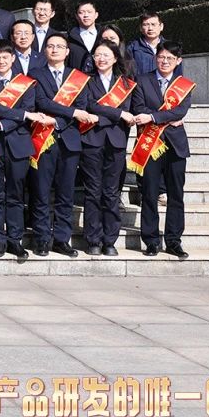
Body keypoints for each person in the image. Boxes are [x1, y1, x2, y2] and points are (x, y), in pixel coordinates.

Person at [0, 39, 53, 259]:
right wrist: (22, 115)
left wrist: (4, 124)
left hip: (19, 144)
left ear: (13, 58)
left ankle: (15, 240)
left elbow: (28, 111)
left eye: (5, 57)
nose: (1, 61)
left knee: (16, 195)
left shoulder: (27, 83)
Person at [28, 33, 97, 257]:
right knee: (41, 192)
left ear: (67, 52)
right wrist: (72, 112)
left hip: (69, 141)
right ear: (45, 50)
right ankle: (41, 239)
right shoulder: (35, 74)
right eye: (50, 46)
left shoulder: (78, 77)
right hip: (43, 139)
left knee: (66, 194)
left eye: (59, 46)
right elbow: (41, 102)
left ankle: (61, 239)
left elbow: (82, 106)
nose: (55, 49)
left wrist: (59, 119)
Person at [130, 40, 195, 260]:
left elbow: (180, 111)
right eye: (161, 57)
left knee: (176, 194)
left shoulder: (184, 84)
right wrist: (162, 117)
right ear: (155, 58)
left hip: (176, 146)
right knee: (149, 193)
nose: (165, 61)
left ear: (178, 61)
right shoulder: (142, 80)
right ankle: (151, 241)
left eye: (170, 58)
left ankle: (174, 241)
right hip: (150, 144)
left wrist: (153, 117)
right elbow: (138, 108)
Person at [79, 40, 136, 256]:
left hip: (116, 142)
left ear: (114, 58)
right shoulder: (86, 81)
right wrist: (118, 114)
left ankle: (110, 240)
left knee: (112, 193)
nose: (101, 59)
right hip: (91, 142)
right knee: (93, 191)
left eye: (105, 55)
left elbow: (127, 108)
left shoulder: (125, 84)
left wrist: (103, 116)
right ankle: (93, 239)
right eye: (97, 55)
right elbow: (89, 105)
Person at [127, 11, 169, 77]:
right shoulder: (132, 48)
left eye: (153, 24)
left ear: (161, 26)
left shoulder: (169, 47)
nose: (150, 28)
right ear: (141, 28)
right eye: (146, 25)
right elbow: (128, 73)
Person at [66, 0, 101, 73]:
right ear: (76, 16)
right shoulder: (69, 37)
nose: (86, 15)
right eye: (81, 12)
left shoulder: (104, 35)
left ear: (96, 15)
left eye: (89, 12)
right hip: (76, 78)